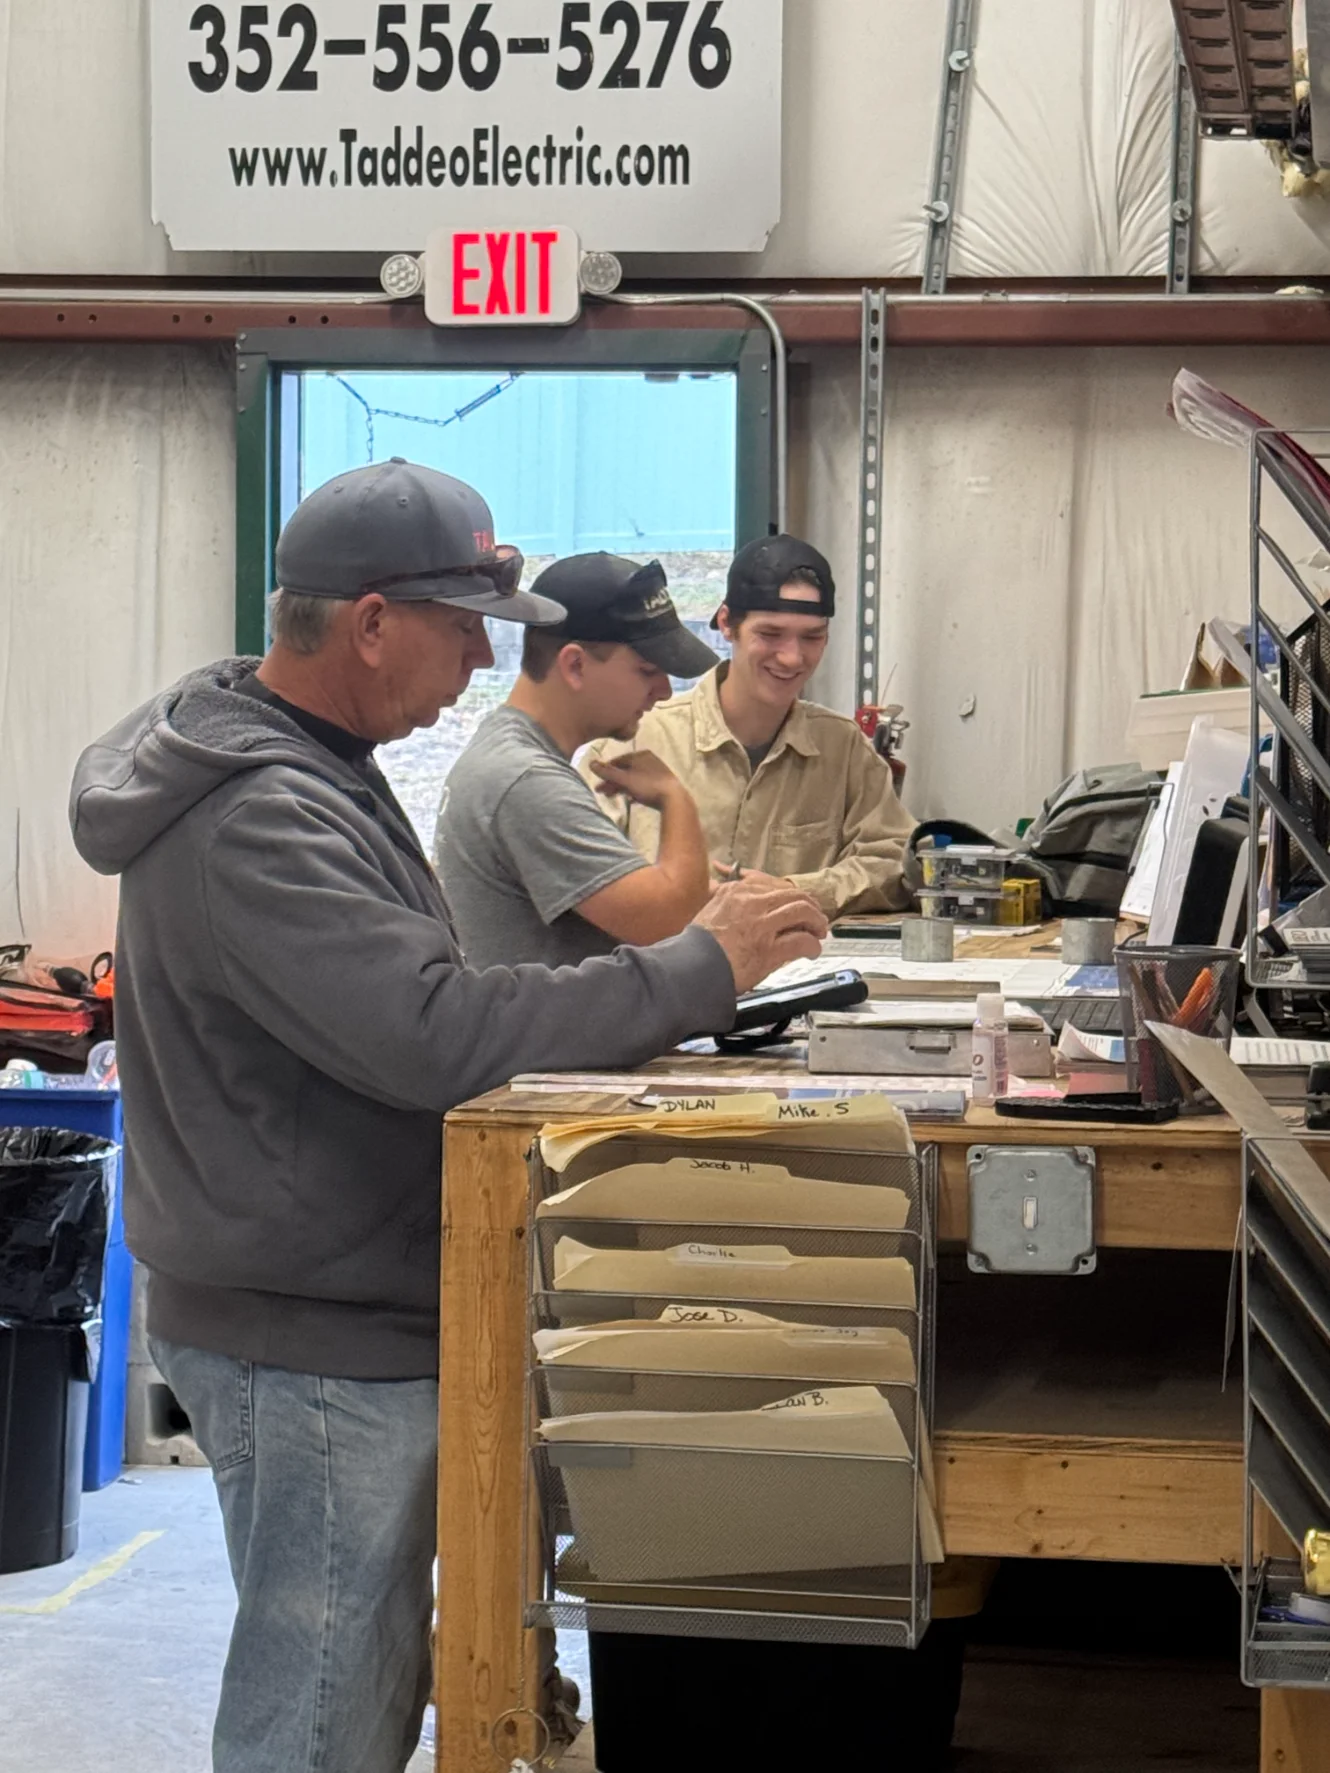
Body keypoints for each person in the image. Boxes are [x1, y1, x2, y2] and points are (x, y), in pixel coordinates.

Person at [67, 460, 828, 1773]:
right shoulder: (258, 813)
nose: (483, 659)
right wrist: (701, 967)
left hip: (336, 1295)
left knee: (358, 1679)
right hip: (305, 1328)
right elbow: (433, 1033)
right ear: (370, 623)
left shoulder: (315, 763)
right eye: (465, 625)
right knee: (320, 1712)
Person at [582, 535, 916, 916]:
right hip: (660, 953)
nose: (792, 658)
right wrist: (676, 898)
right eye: (770, 634)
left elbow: (895, 861)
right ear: (726, 623)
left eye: (812, 637)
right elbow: (581, 875)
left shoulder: (844, 749)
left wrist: (797, 891)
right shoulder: (633, 741)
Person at [435, 552, 719, 968]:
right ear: (574, 665)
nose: (664, 692)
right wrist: (675, 797)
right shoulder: (526, 779)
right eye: (647, 671)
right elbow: (670, 924)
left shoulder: (510, 755)